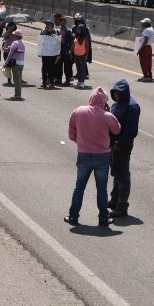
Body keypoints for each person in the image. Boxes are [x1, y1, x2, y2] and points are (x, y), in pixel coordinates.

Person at [65, 87, 121, 227]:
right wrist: (108, 112)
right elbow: (117, 129)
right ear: (104, 101)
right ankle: (103, 218)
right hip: (102, 156)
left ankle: (73, 216)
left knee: (79, 187)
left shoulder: (79, 111)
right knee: (101, 189)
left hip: (84, 154)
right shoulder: (106, 115)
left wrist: (78, 140)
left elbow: (71, 133)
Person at [108, 79, 140, 218]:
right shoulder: (117, 104)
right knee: (116, 172)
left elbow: (131, 131)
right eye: (114, 93)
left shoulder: (132, 107)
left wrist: (119, 144)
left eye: (118, 93)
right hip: (113, 144)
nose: (115, 95)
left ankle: (122, 206)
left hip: (122, 146)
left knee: (122, 175)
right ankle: (114, 200)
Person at [37, 19, 61, 89]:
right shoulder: (43, 31)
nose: (47, 25)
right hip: (45, 53)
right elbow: (40, 42)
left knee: (52, 68)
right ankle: (44, 82)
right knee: (44, 68)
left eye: (48, 24)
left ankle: (51, 83)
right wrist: (40, 51)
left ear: (52, 25)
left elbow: (59, 42)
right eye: (46, 24)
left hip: (53, 53)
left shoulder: (56, 31)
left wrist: (59, 54)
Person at [6, 29, 26, 101]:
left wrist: (6, 62)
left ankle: (17, 95)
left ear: (16, 36)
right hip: (21, 63)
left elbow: (11, 54)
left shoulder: (15, 43)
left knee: (16, 79)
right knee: (19, 79)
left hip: (16, 62)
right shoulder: (22, 43)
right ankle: (18, 94)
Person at [55, 14, 75, 86]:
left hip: (66, 52)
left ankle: (67, 81)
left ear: (65, 22)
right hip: (59, 51)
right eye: (61, 21)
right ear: (59, 22)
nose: (62, 23)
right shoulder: (57, 31)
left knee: (67, 67)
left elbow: (72, 41)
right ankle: (58, 79)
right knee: (58, 66)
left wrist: (70, 51)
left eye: (64, 21)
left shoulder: (69, 31)